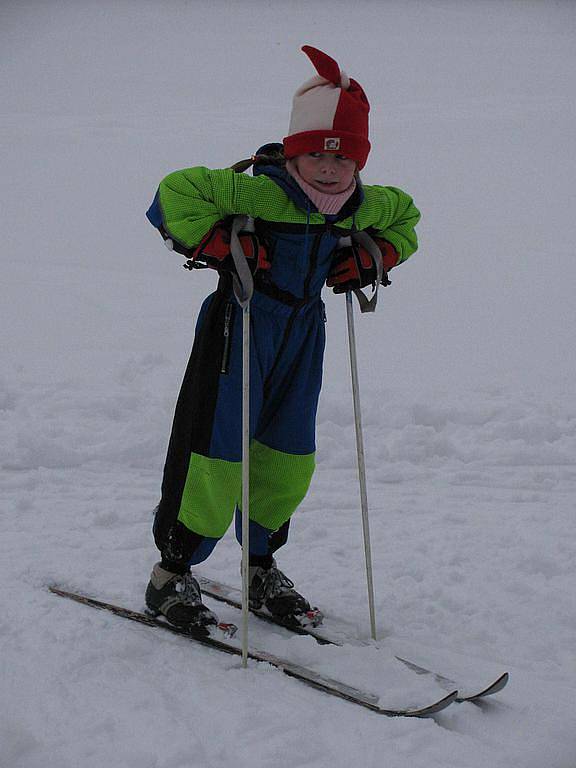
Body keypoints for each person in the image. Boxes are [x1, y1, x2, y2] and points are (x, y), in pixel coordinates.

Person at [144, 45, 420, 631]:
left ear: (359, 164)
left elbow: (408, 219)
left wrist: (380, 256)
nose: (328, 169)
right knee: (215, 452)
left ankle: (261, 565)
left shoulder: (362, 205)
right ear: (294, 153)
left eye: (342, 160)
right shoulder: (260, 191)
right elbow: (173, 196)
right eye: (316, 155)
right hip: (241, 323)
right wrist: (220, 246)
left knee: (287, 453)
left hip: (304, 332)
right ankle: (171, 573)